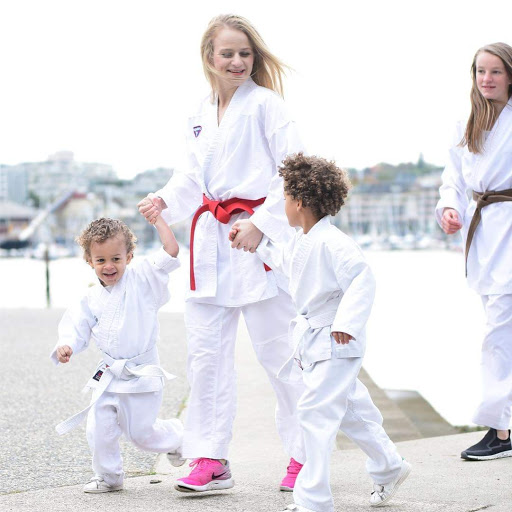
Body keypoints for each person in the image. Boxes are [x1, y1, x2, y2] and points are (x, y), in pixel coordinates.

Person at [137, 14, 305, 493]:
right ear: (209, 57)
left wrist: (262, 223)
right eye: (227, 53)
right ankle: (209, 458)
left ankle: (304, 455)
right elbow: (191, 177)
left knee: (280, 355)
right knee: (205, 357)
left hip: (257, 240)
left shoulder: (268, 106)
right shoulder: (198, 112)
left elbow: (294, 170)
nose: (237, 61)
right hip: (210, 243)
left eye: (244, 53)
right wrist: (164, 200)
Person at [231, 153, 411, 512]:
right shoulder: (304, 240)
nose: (283, 204)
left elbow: (361, 279)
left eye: (285, 197)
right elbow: (287, 264)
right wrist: (258, 245)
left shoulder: (334, 242)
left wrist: (346, 323)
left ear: (299, 201)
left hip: (336, 338)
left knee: (314, 413)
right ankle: (390, 466)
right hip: (317, 340)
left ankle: (313, 500)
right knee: (351, 410)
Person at [51, 217, 185, 493]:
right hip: (109, 375)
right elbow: (76, 327)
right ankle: (109, 476)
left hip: (142, 373)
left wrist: (158, 220)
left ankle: (177, 438)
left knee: (141, 435)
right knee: (98, 427)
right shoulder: (90, 299)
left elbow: (171, 251)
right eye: (100, 260)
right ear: (89, 260)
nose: (109, 266)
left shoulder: (143, 280)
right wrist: (67, 345)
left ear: (129, 257)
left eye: (116, 258)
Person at [437, 42, 512, 461]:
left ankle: (500, 431)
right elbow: (453, 178)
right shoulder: (467, 123)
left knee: (498, 334)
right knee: (500, 329)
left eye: (495, 71)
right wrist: (450, 208)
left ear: (510, 75)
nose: (487, 79)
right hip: (484, 234)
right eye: (481, 71)